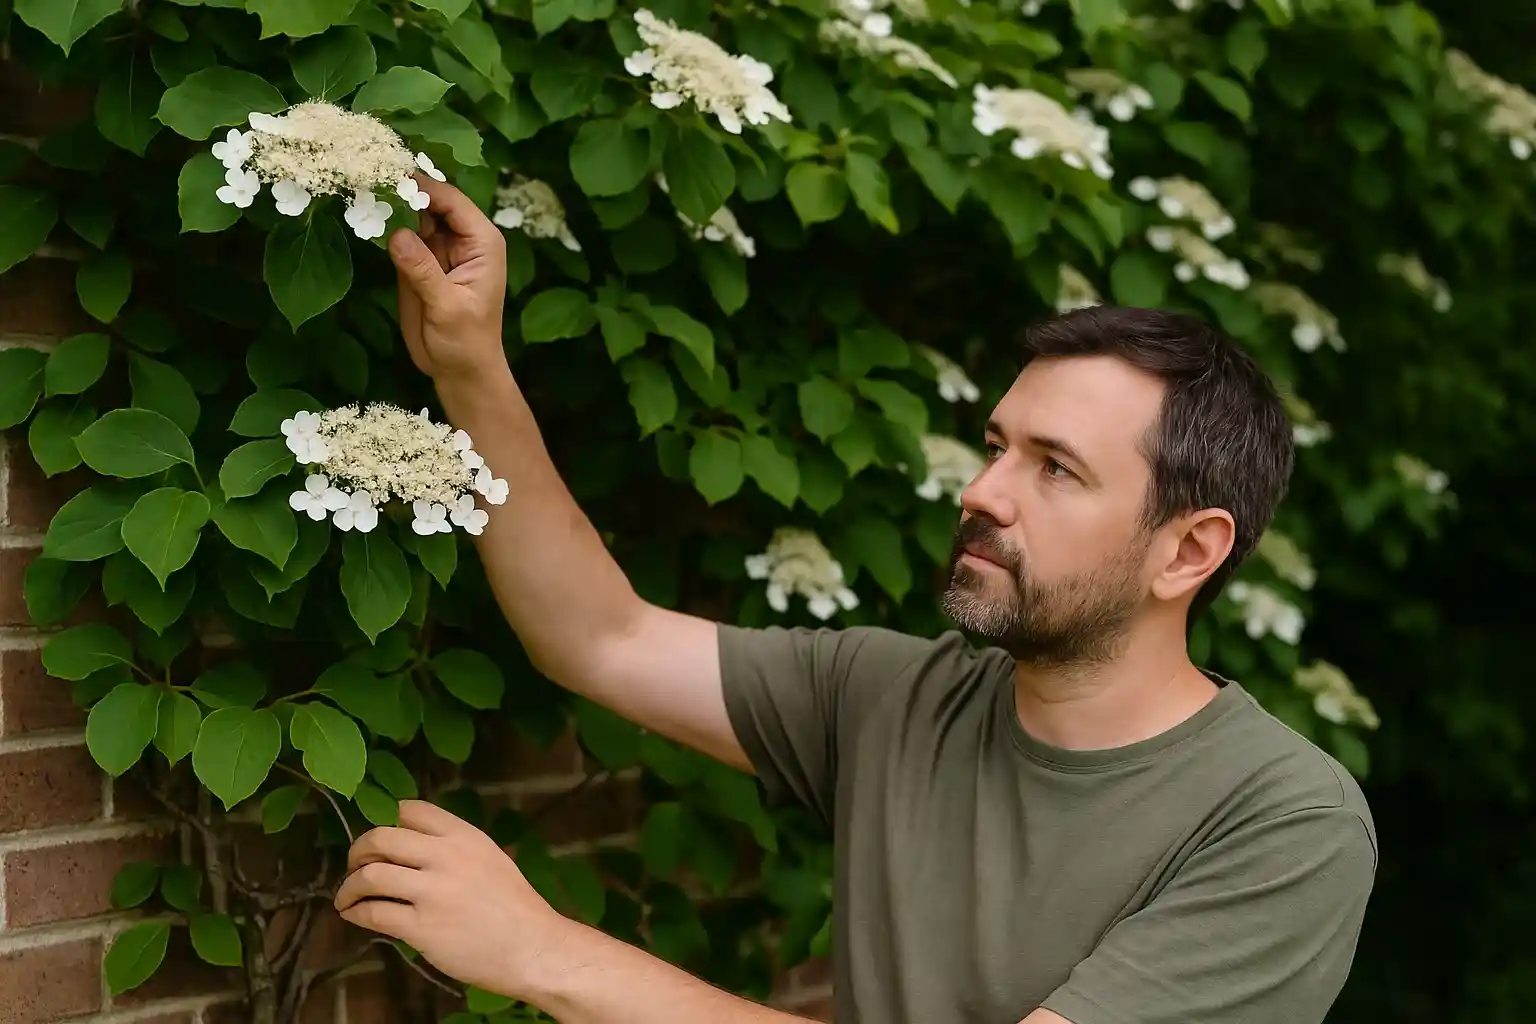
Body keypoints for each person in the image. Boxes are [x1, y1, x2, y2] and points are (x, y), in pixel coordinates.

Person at [333, 176, 1377, 1024]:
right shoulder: (898, 696)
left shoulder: (1283, 821)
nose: (982, 491)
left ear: (1187, 550)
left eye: (1055, 469)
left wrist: (546, 951)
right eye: (995, 447)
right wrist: (471, 366)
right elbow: (600, 636)